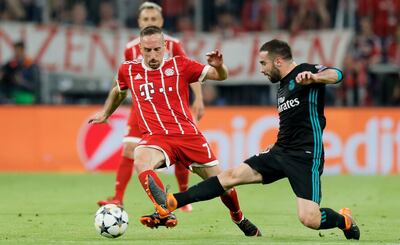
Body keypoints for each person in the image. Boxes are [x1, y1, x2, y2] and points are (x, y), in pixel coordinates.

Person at [148, 39, 361, 240]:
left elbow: (337, 74)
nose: (261, 69)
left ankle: (344, 220)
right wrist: (277, 145)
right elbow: (293, 123)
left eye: (263, 63)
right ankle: (172, 201)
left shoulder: (306, 71)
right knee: (231, 176)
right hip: (280, 152)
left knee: (310, 219)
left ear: (278, 61)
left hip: (305, 156)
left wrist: (315, 78)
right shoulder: (283, 87)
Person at [89, 26, 261, 236]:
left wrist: (220, 66)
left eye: (157, 49)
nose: (153, 55)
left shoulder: (180, 65)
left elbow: (220, 76)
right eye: (147, 50)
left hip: (188, 136)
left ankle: (238, 217)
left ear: (165, 47)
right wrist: (106, 113)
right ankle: (164, 210)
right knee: (141, 157)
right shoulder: (128, 70)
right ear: (140, 49)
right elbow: (118, 90)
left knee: (223, 185)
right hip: (157, 138)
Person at [96, 2, 204, 213]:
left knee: (182, 149)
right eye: (146, 19)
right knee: (128, 149)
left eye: (154, 19)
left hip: (170, 107)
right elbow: (124, 79)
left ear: (161, 21)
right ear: (139, 22)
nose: (150, 22)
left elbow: (191, 72)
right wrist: (108, 109)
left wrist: (198, 99)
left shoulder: (173, 44)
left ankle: (183, 194)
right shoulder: (130, 48)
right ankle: (118, 198)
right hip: (141, 108)